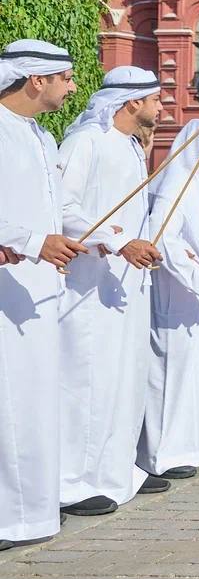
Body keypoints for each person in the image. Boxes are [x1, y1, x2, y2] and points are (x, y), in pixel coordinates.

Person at [57, 65, 167, 517]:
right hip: (90, 287)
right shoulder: (86, 142)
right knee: (88, 380)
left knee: (125, 379)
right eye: (156, 99)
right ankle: (73, 483)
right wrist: (120, 243)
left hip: (127, 287)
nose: (162, 107)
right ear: (132, 102)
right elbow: (62, 207)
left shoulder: (130, 148)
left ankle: (117, 471)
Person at [0, 40, 86, 550]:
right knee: (10, 399)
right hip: (10, 288)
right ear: (37, 80)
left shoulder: (39, 135)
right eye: (66, 78)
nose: (72, 87)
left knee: (34, 399)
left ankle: (33, 511)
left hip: (40, 289)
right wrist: (33, 243)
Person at [139, 119, 199, 480]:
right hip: (181, 294)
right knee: (175, 375)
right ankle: (164, 453)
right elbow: (162, 236)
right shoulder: (178, 183)